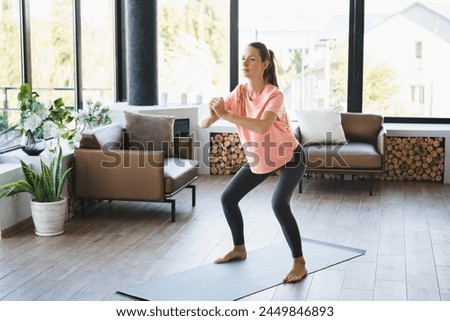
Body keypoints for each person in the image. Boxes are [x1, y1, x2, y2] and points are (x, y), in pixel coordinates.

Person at [200, 42, 307, 283]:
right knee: (228, 198)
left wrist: (226, 115)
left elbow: (262, 126)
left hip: (291, 156)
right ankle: (239, 248)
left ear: (265, 64)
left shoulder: (274, 95)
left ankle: (299, 262)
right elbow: (204, 124)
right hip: (262, 157)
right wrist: (213, 112)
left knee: (279, 204)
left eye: (251, 59)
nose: (244, 64)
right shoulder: (239, 92)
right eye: (243, 58)